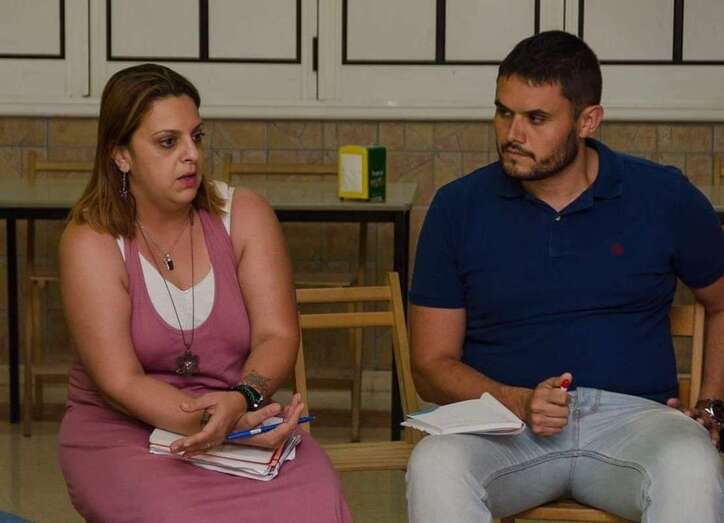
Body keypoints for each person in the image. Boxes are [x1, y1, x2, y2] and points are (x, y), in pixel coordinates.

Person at [406, 31, 723, 523]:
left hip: (637, 423)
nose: (512, 133)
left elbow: (721, 300)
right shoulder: (457, 208)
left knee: (693, 462)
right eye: (503, 112)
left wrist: (713, 405)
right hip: (504, 427)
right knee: (434, 464)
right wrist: (517, 401)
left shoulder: (663, 196)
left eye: (536, 118)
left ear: (587, 120)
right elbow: (429, 366)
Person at [58, 63, 352, 522]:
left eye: (197, 137)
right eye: (168, 142)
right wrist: (224, 424)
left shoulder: (245, 215)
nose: (191, 154)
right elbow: (121, 382)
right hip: (123, 433)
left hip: (240, 412)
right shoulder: (91, 241)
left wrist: (243, 400)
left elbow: (277, 335)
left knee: (316, 500)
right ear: (121, 155)